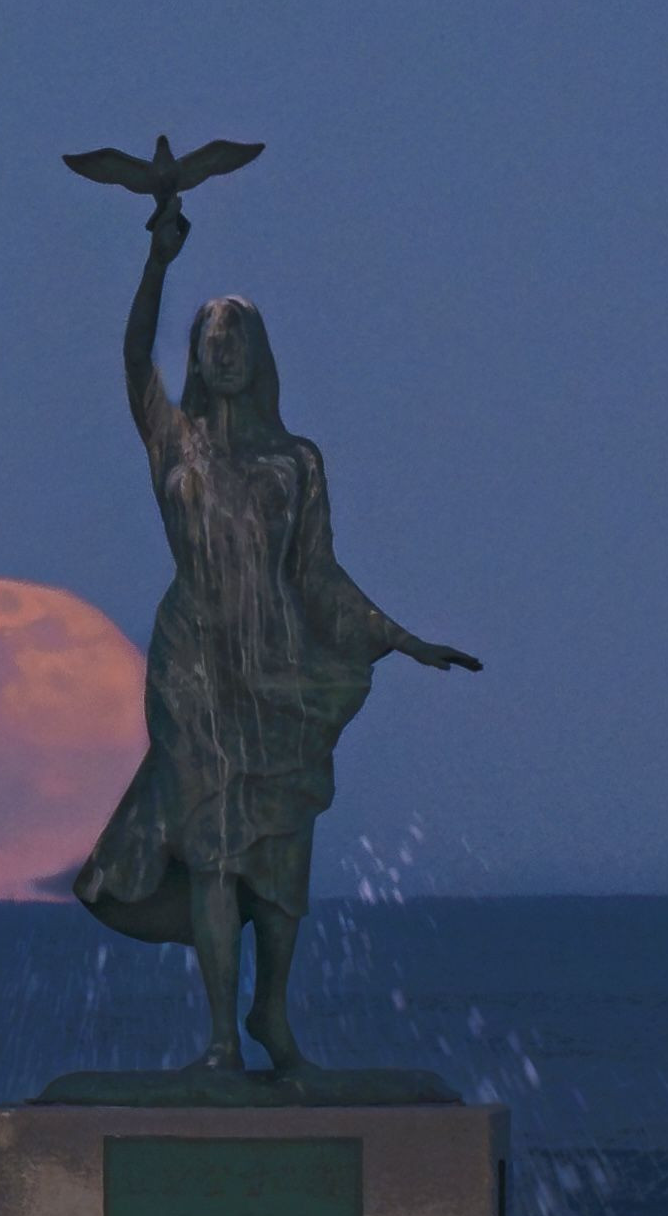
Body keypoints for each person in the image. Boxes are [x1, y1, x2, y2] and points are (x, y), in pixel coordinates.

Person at [74, 195, 481, 1076]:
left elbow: (318, 573)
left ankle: (271, 1013)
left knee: (282, 853)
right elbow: (131, 358)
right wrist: (156, 261)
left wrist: (399, 636)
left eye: (237, 341)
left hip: (280, 665)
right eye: (208, 341)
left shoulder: (298, 461)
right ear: (194, 355)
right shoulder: (172, 441)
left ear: (259, 356)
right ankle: (221, 1038)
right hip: (193, 666)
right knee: (213, 851)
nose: (222, 353)